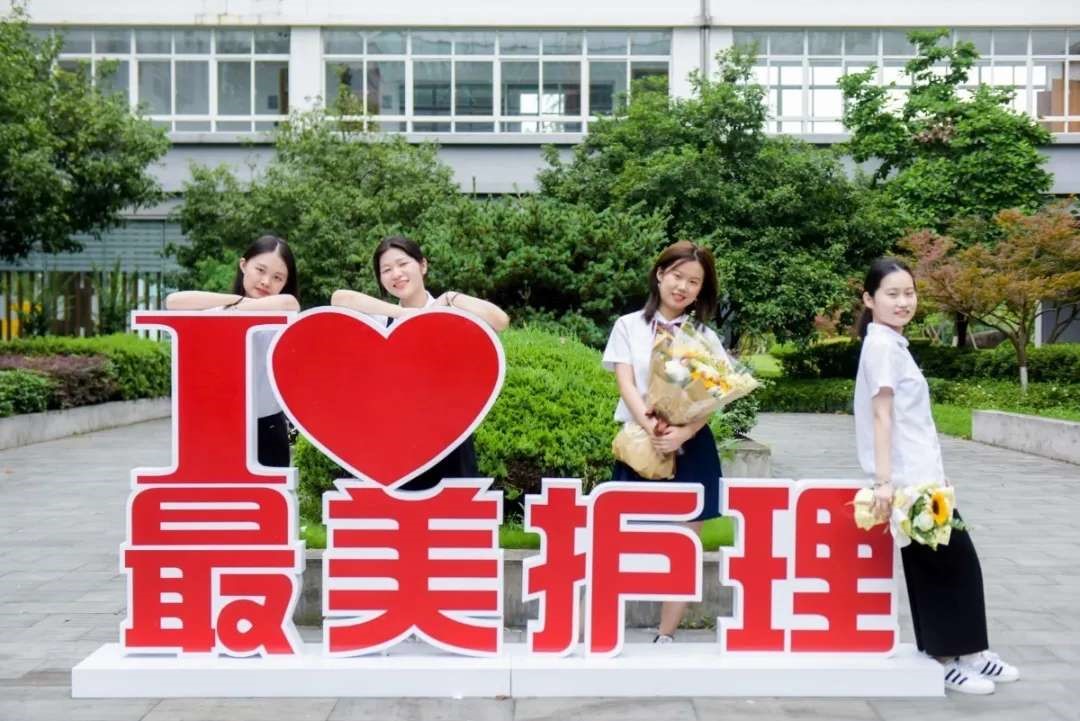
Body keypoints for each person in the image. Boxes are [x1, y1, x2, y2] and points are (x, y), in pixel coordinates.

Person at [854, 257, 1020, 695]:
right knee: (941, 568)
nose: (903, 302)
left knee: (956, 565)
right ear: (869, 299)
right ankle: (946, 660)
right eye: (892, 294)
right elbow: (882, 416)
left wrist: (938, 476)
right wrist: (884, 483)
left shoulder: (893, 343)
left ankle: (971, 652)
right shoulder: (881, 347)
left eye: (909, 293)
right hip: (909, 484)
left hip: (925, 479)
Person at [601, 240, 724, 643]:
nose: (682, 287)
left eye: (693, 282)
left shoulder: (703, 337)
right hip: (641, 443)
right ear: (659, 274)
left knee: (686, 543)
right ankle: (596, 628)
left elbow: (715, 395)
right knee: (618, 538)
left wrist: (684, 432)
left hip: (691, 447)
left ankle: (665, 635)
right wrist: (653, 427)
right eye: (676, 276)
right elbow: (625, 383)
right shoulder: (628, 326)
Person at [331, 235, 509, 490]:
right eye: (386, 270)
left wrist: (450, 297)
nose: (396, 274)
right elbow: (339, 298)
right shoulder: (382, 321)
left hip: (449, 436)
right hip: (396, 440)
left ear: (422, 265)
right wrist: (403, 313)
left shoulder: (452, 313)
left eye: (403, 264)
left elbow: (500, 320)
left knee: (452, 510)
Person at [165, 234, 300, 467]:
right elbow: (173, 301)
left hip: (268, 426)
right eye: (260, 270)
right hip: (221, 426)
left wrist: (239, 306)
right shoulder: (222, 312)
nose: (266, 282)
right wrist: (237, 301)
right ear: (243, 265)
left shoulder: (282, 317)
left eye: (277, 277)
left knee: (272, 489)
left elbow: (290, 302)